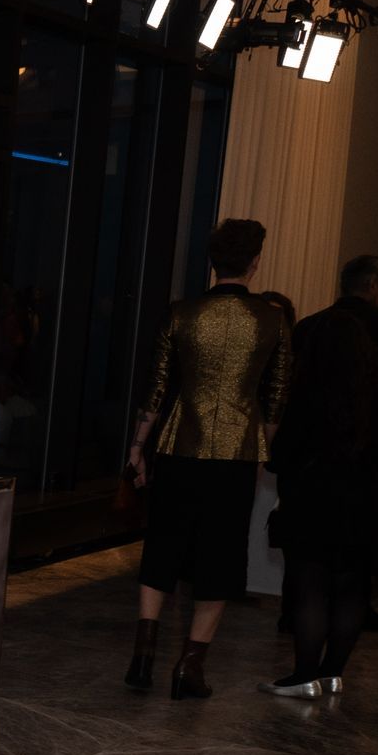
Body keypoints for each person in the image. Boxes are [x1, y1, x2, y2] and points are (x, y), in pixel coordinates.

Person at [123, 218, 290, 699]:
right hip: (236, 455)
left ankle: (143, 653)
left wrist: (138, 446)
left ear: (213, 262)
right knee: (220, 555)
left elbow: (156, 387)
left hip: (178, 445)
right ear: (255, 263)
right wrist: (263, 447)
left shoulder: (182, 312)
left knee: (163, 544)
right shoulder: (272, 320)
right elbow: (276, 398)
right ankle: (189, 668)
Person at [262, 309, 378, 696]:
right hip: (370, 493)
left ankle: (303, 675)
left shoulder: (308, 389)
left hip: (315, 494)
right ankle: (332, 673)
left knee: (311, 585)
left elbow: (280, 454)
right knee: (354, 588)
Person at [294, 254, 378, 631]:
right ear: (372, 285)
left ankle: (294, 614)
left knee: (310, 544)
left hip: (312, 448)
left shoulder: (308, 326)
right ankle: (355, 609)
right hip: (365, 447)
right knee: (358, 542)